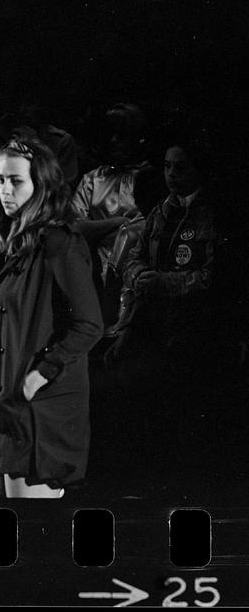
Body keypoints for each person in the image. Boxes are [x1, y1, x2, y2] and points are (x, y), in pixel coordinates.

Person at [0, 138, 103, 498]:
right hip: (4, 411)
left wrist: (40, 375)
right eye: (0, 180)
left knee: (32, 539)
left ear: (40, 185)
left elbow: (89, 324)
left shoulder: (60, 242)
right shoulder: (13, 244)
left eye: (16, 181)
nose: (4, 190)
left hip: (37, 414)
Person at [102, 138, 221, 474]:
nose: (172, 174)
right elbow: (135, 256)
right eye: (167, 166)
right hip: (150, 321)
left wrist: (163, 282)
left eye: (180, 167)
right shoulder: (160, 210)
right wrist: (138, 273)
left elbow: (211, 276)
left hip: (190, 326)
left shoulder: (211, 214)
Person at [69, 103, 164, 328]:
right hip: (90, 274)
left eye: (121, 136)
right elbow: (74, 228)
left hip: (136, 276)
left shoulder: (150, 179)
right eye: (110, 135)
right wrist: (120, 222)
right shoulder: (92, 180)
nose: (114, 141)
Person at [0, 98, 79, 188]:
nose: (22, 109)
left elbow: (62, 197)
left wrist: (35, 148)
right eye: (16, 99)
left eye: (29, 101)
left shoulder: (61, 142)